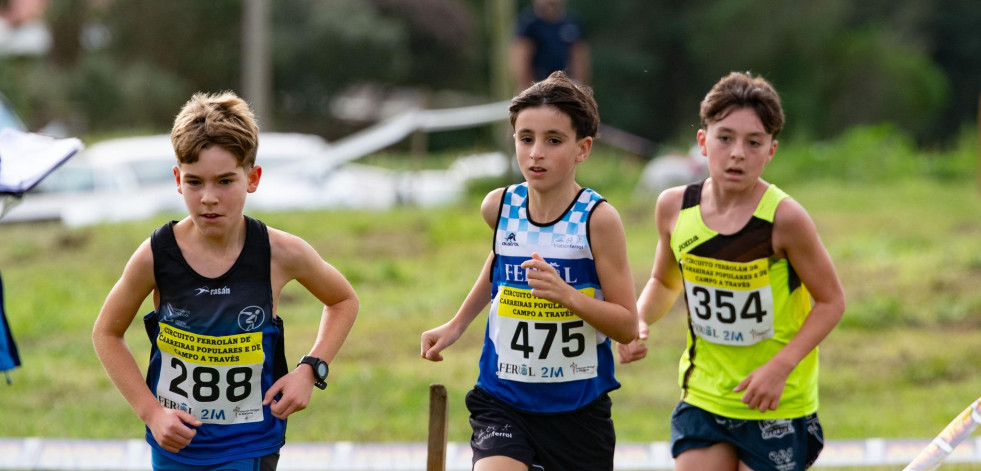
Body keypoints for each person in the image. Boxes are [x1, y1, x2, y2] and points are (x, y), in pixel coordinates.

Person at [92, 91, 359, 471]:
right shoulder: (155, 255)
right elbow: (106, 333)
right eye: (195, 182)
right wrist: (151, 412)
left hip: (250, 444)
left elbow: (343, 300)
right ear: (177, 180)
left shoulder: (281, 252)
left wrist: (310, 369)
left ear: (253, 178)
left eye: (225, 181)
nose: (209, 198)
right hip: (175, 444)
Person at [617, 71, 846, 471]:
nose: (738, 153)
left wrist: (779, 368)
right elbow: (664, 281)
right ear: (703, 142)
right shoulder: (673, 207)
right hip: (704, 395)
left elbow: (831, 301)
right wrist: (636, 319)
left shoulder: (784, 219)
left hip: (776, 400)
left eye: (753, 142)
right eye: (725, 138)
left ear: (770, 151)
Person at [420, 70, 638, 471]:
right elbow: (500, 263)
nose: (536, 152)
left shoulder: (597, 220)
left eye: (553, 140)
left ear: (582, 148)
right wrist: (456, 324)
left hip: (578, 410)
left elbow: (626, 325)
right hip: (504, 400)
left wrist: (568, 296)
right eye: (526, 138)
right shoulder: (499, 206)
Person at [510, 0, 590, 92]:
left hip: (567, 84)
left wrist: (580, 87)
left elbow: (579, 57)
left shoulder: (573, 22)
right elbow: (521, 60)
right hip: (539, 85)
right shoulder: (528, 24)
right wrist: (528, 90)